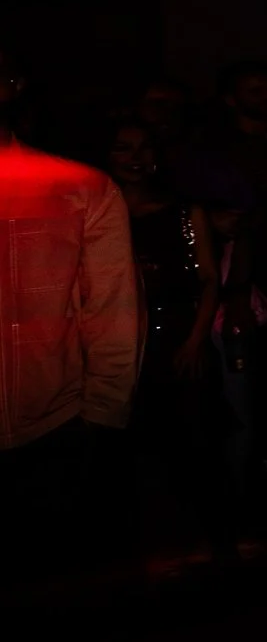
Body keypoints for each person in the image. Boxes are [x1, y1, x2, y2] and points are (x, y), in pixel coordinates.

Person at [0, 45, 141, 575]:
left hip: (51, 430)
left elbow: (112, 308)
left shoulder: (81, 189)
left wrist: (102, 413)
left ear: (13, 86)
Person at [108, 118, 231, 557]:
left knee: (193, 440)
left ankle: (209, 540)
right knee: (133, 446)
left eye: (144, 147)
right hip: (118, 342)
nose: (135, 158)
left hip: (178, 335)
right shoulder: (99, 211)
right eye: (123, 147)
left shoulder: (183, 212)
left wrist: (195, 340)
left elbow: (209, 279)